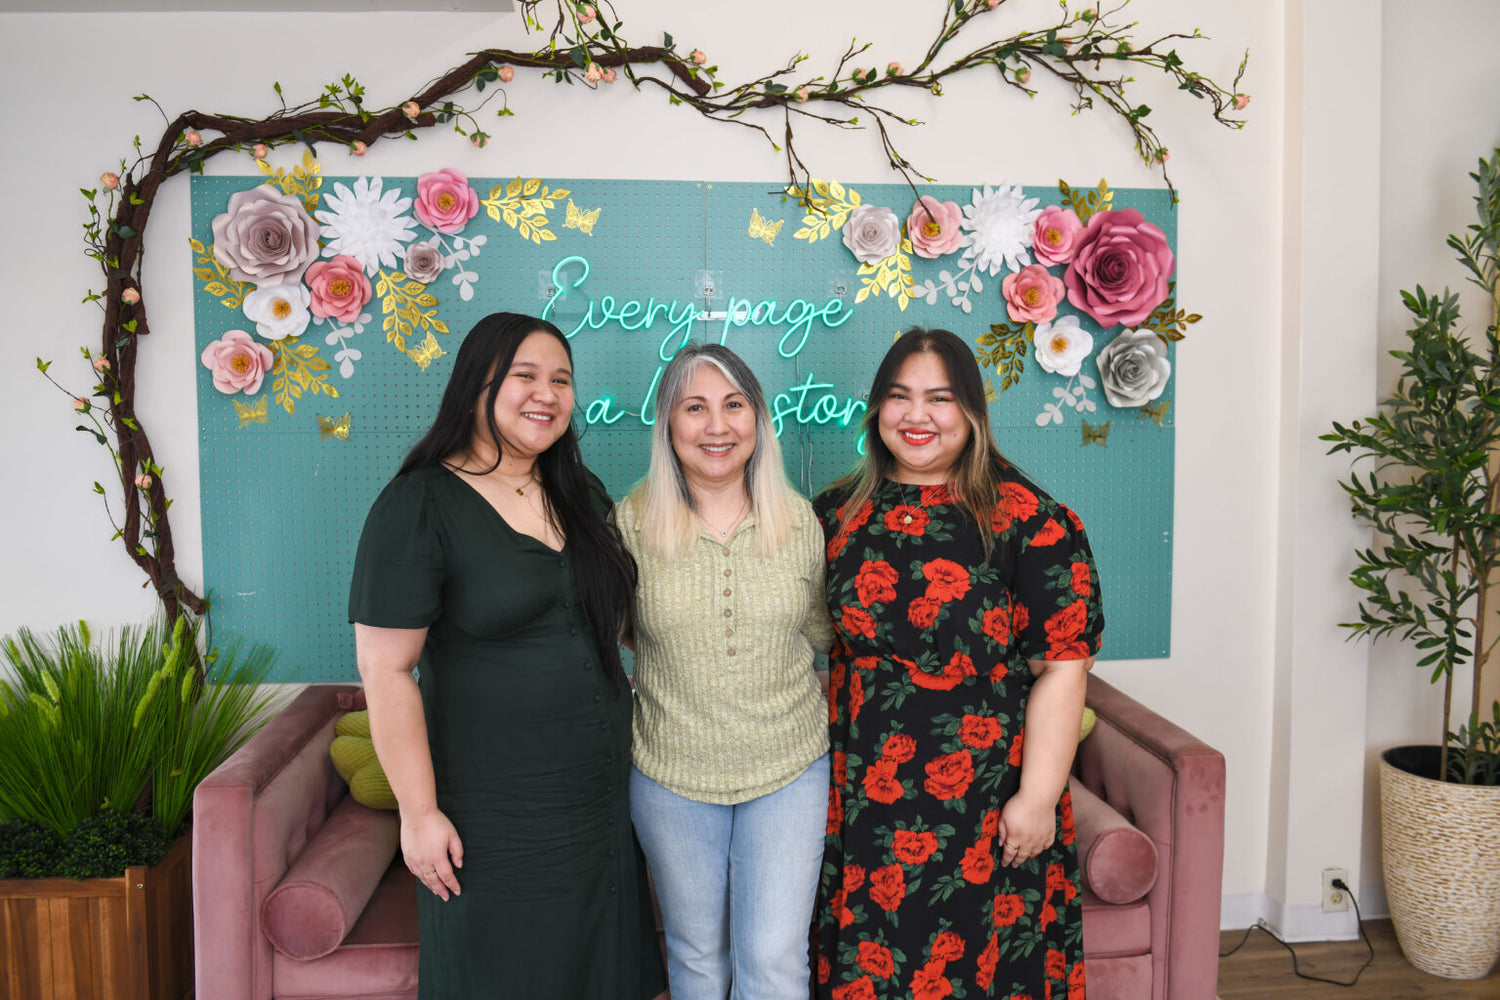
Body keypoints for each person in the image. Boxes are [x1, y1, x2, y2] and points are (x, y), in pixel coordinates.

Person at [348, 312, 667, 1000]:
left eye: (562, 379)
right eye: (525, 375)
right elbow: (386, 669)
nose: (546, 394)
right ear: (477, 385)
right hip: (494, 818)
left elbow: (620, 623)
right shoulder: (419, 504)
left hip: (599, 807)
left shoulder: (580, 494)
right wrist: (419, 815)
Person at [812, 328, 1105, 1000]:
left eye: (939, 398)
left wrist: (1036, 798)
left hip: (983, 799)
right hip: (858, 796)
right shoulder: (835, 515)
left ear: (971, 410)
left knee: (977, 970)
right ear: (878, 407)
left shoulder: (1032, 521)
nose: (916, 415)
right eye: (899, 396)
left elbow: (1064, 668)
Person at [614, 342, 834, 999]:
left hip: (789, 769)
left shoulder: (800, 522)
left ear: (757, 419)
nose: (717, 426)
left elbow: (825, 636)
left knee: (773, 958)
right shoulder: (629, 524)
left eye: (734, 405)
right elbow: (615, 634)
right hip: (670, 773)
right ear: (668, 423)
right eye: (695, 408)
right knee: (698, 958)